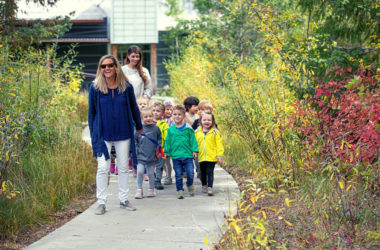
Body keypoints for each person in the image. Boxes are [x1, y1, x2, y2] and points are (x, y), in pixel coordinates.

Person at [88, 55, 143, 215]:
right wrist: (94, 135)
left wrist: (139, 127)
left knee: (124, 167)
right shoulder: (95, 88)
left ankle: (124, 200)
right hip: (102, 134)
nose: (107, 68)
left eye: (110, 65)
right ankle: (101, 202)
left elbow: (134, 108)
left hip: (123, 132)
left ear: (116, 67)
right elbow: (92, 114)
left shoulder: (126, 87)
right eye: (103, 66)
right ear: (100, 68)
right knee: (103, 168)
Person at [164, 105, 198, 199]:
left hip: (187, 156)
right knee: (178, 175)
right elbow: (168, 141)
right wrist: (166, 152)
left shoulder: (188, 129)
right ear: (172, 116)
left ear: (183, 116)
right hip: (176, 156)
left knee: (190, 173)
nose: (177, 116)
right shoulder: (170, 130)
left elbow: (193, 140)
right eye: (175, 114)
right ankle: (180, 190)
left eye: (179, 114)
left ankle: (189, 184)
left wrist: (194, 150)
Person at [134, 107, 162, 199]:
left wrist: (158, 150)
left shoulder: (156, 128)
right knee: (140, 172)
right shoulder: (139, 129)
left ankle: (151, 189)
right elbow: (135, 141)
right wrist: (137, 151)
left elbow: (159, 139)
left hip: (152, 156)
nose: (148, 118)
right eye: (146, 117)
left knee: (150, 173)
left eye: (150, 116)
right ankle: (139, 190)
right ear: (141, 118)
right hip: (141, 156)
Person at [195, 110, 224, 196]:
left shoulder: (215, 132)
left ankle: (210, 187)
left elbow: (219, 145)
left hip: (211, 156)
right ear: (200, 121)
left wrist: (220, 156)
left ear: (212, 121)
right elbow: (194, 143)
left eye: (209, 120)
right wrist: (193, 151)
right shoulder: (197, 132)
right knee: (202, 172)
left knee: (210, 172)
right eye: (204, 120)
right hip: (201, 156)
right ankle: (204, 184)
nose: (206, 122)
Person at [152, 101, 169, 190]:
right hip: (150, 148)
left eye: (158, 111)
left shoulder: (164, 124)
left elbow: (166, 137)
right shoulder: (148, 123)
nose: (155, 112)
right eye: (154, 110)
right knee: (150, 165)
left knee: (160, 165)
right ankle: (153, 177)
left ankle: (158, 180)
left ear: (162, 113)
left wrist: (166, 149)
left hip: (160, 148)